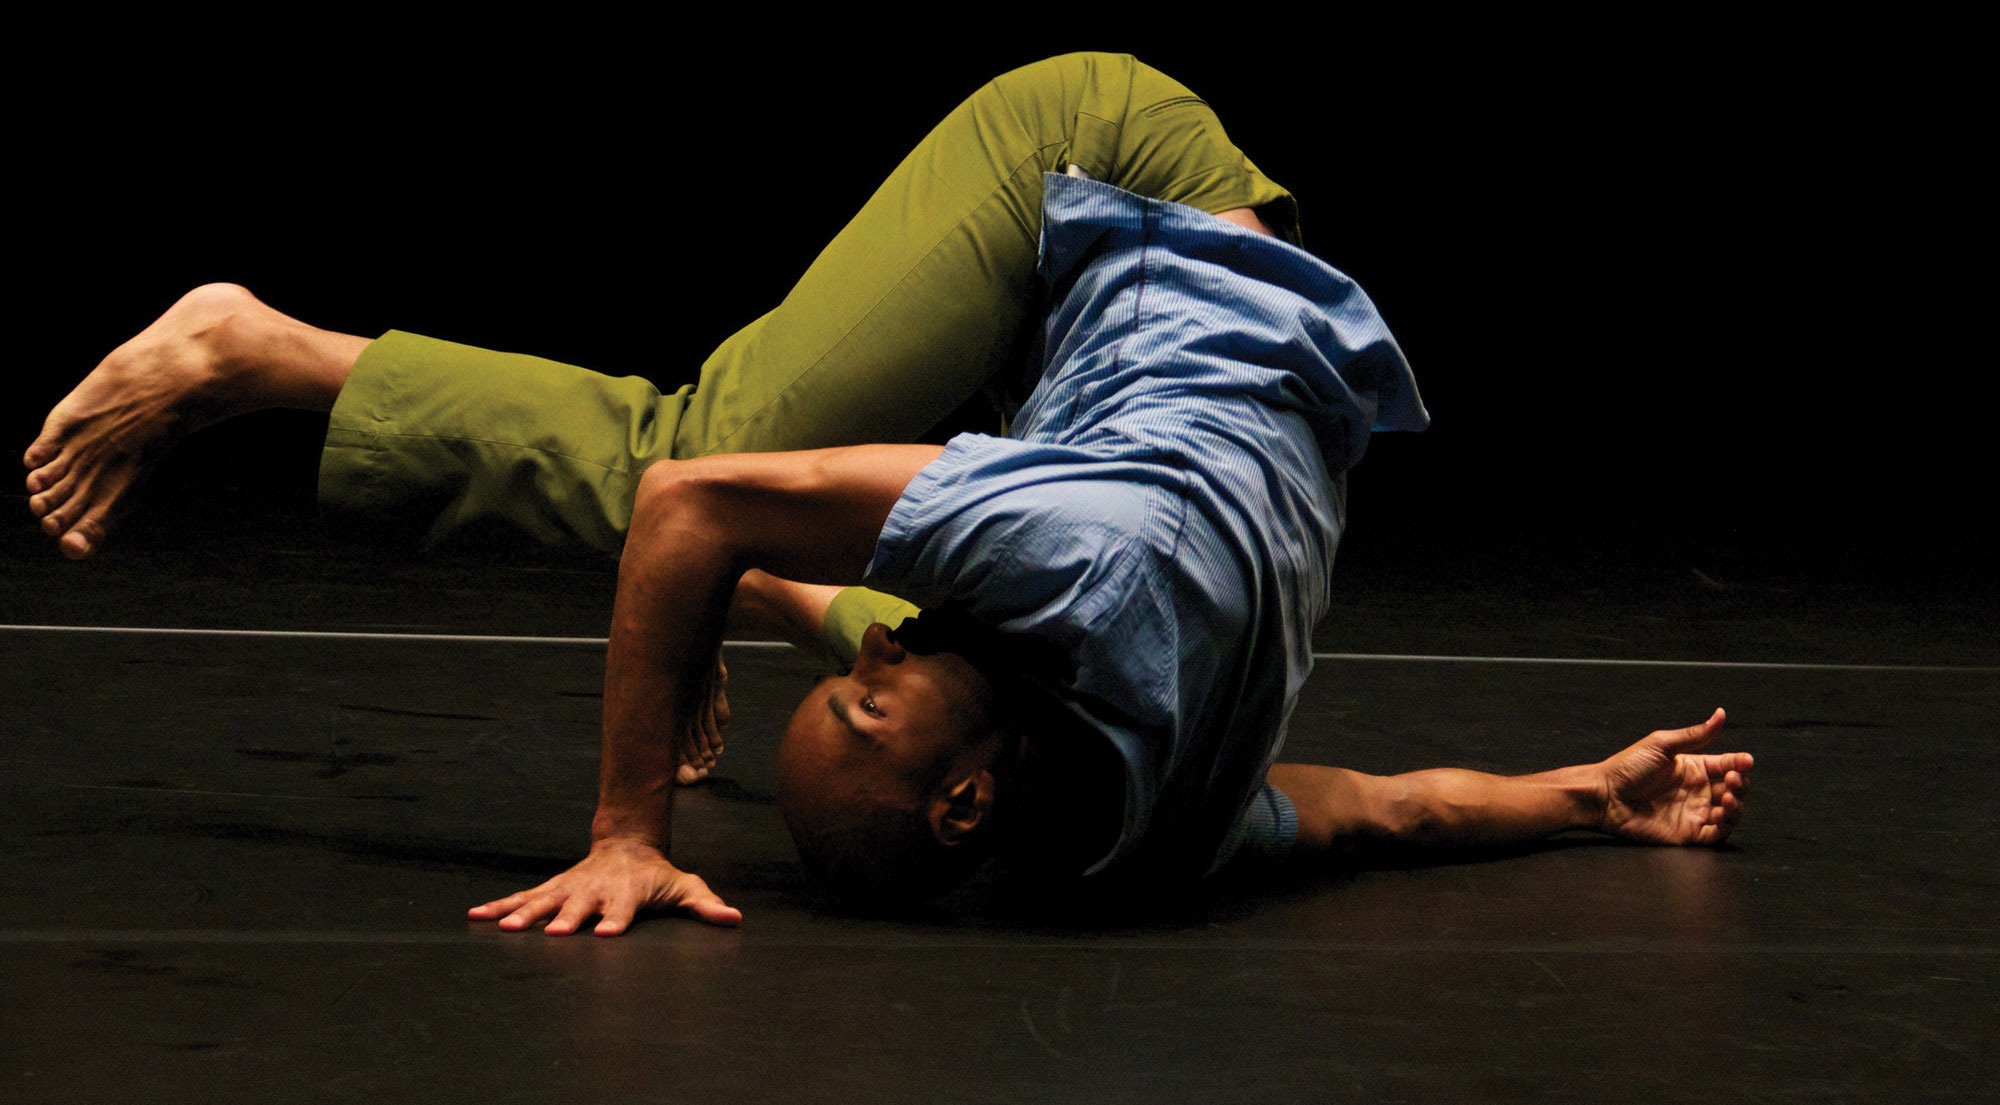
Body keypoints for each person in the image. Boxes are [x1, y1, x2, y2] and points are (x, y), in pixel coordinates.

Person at [24, 55, 1752, 935]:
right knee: (675, 459)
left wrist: (1591, 800)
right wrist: (629, 817)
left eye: (855, 673)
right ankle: (257, 346)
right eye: (864, 688)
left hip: (1130, 354)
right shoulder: (1083, 570)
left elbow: (1387, 808)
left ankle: (283, 363)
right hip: (1102, 154)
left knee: (709, 520)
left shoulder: (1146, 829)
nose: (873, 659)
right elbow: (700, 497)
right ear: (957, 806)